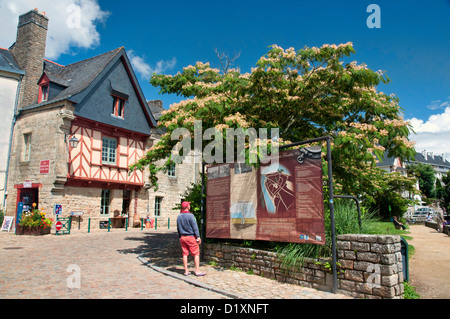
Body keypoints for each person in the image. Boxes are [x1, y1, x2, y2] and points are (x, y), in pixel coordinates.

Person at [177, 201, 206, 276]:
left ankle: (186, 271)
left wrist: (180, 236)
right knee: (196, 253)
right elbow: (195, 227)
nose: (190, 206)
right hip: (191, 237)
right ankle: (197, 270)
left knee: (185, 254)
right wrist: (198, 237)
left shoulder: (179, 216)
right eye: (189, 205)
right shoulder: (191, 216)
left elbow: (178, 228)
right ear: (187, 207)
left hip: (183, 237)